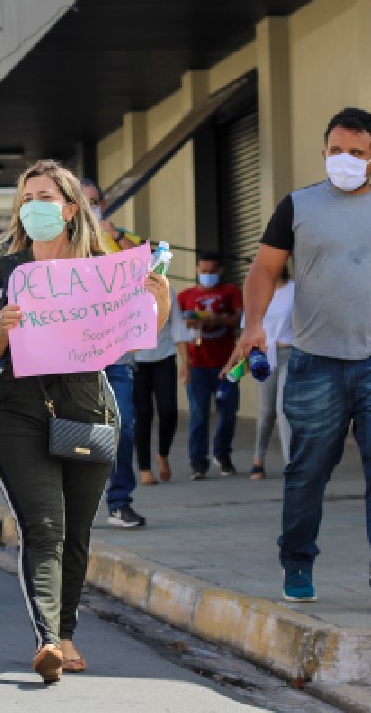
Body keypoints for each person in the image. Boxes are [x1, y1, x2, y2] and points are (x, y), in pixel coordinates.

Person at [236, 106, 371, 613]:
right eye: (335, 150)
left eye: (356, 152)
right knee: (307, 471)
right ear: (323, 151)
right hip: (314, 361)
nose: (344, 159)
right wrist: (254, 324)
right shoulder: (297, 207)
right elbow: (263, 269)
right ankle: (298, 562)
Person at [0, 160, 170, 683]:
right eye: (26, 197)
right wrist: (7, 326)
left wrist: (160, 301)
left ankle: (66, 628)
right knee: (44, 524)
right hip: (17, 406)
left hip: (87, 405)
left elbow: (134, 335)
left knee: (77, 529)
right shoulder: (5, 271)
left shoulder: (103, 268)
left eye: (45, 196)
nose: (34, 206)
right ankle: (47, 640)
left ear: (69, 207)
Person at [82, 179, 145, 527]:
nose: (91, 207)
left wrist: (116, 237)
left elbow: (147, 270)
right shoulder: (60, 244)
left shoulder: (122, 241)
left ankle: (119, 500)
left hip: (116, 353)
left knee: (121, 426)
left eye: (95, 201)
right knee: (77, 430)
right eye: (83, 201)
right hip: (73, 356)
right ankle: (77, 501)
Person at [177, 251, 243, 479]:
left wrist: (216, 320)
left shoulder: (231, 292)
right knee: (199, 414)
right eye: (203, 271)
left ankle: (223, 454)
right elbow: (179, 332)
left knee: (228, 411)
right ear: (196, 270)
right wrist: (184, 364)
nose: (207, 275)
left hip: (228, 364)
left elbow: (239, 319)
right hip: (197, 364)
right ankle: (198, 462)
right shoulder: (185, 296)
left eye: (211, 271)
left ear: (220, 271)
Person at [133, 285, 185, 485]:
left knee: (169, 410)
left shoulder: (165, 288)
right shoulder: (123, 288)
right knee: (143, 413)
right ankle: (145, 469)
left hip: (165, 357)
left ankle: (163, 454)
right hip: (136, 360)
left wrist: (185, 363)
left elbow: (178, 325)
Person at [247, 269, 295, 480]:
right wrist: (236, 362)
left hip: (290, 353)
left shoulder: (296, 290)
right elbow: (246, 328)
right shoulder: (257, 291)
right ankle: (258, 459)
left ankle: (290, 462)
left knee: (283, 408)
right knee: (266, 411)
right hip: (264, 356)